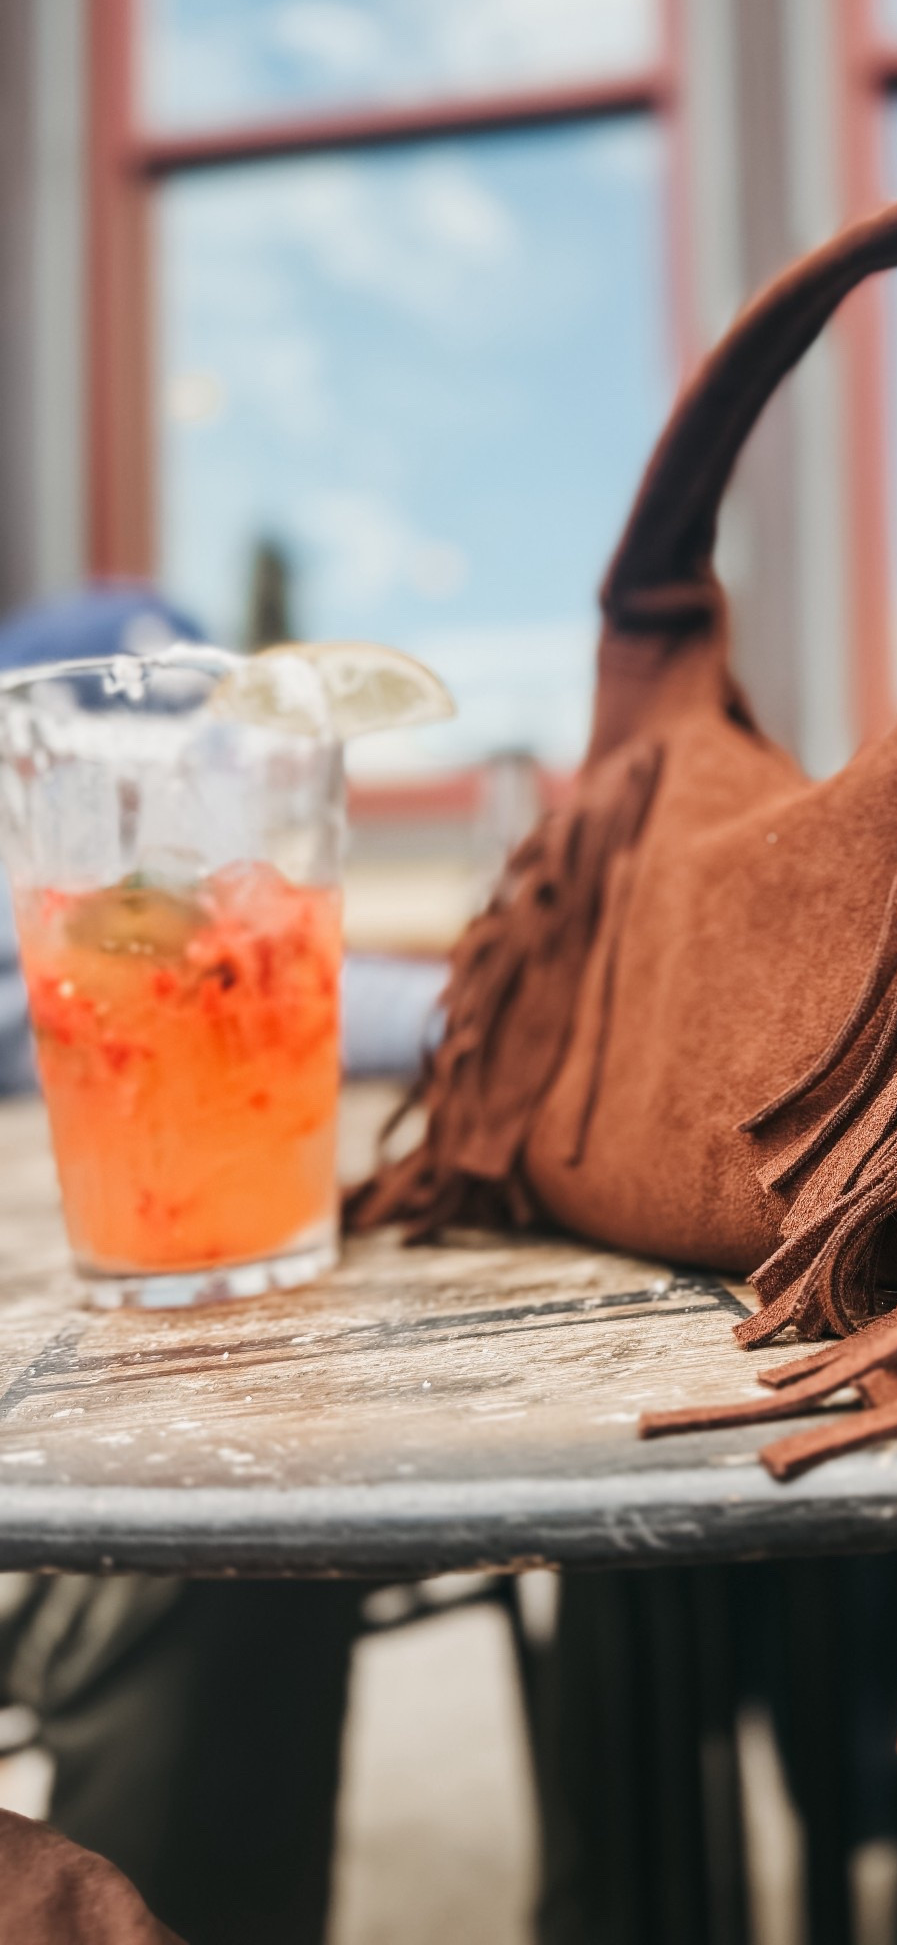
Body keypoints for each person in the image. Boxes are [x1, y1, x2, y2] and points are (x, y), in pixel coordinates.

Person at [0, 589, 446, 1945]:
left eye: (203, 771)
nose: (166, 828)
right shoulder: (59, 935)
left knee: (250, 1490)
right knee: (217, 1539)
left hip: (200, 1333)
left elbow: (266, 964)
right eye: (117, 780)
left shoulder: (241, 919)